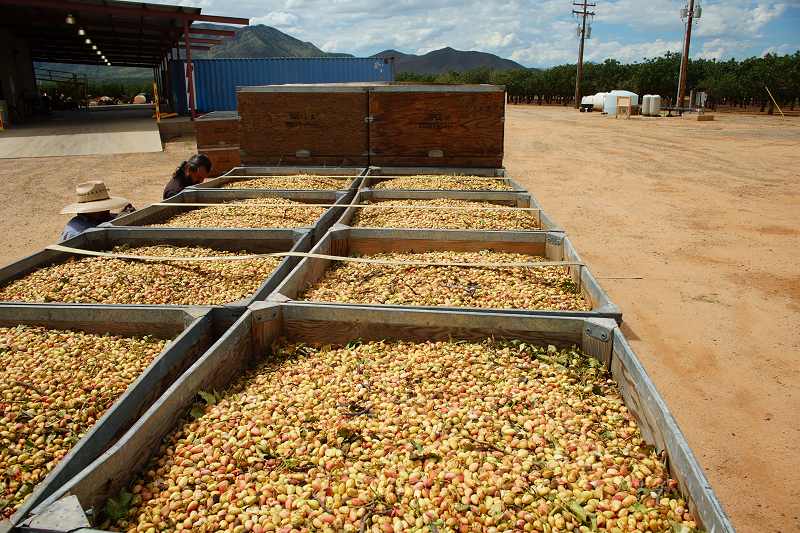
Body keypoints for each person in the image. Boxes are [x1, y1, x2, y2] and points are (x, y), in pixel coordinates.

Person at [61, 181, 132, 241]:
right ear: (87, 210)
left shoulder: (106, 217)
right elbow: (92, 242)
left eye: (106, 207)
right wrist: (117, 223)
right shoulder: (75, 229)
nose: (106, 211)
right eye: (100, 209)